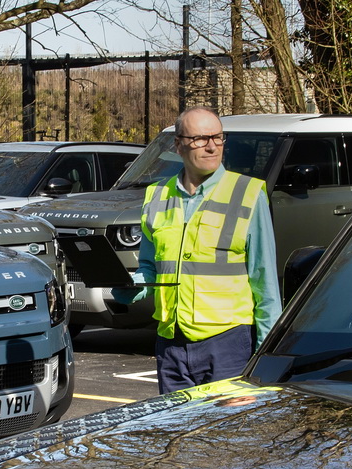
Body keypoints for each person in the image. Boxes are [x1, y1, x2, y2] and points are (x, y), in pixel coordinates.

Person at [113, 106, 282, 391]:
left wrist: (265, 354)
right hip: (171, 344)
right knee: (176, 433)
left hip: (228, 343)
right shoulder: (156, 195)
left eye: (218, 137)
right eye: (201, 139)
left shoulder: (248, 194)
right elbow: (150, 268)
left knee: (225, 433)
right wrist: (130, 286)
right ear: (178, 145)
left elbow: (265, 282)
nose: (212, 146)